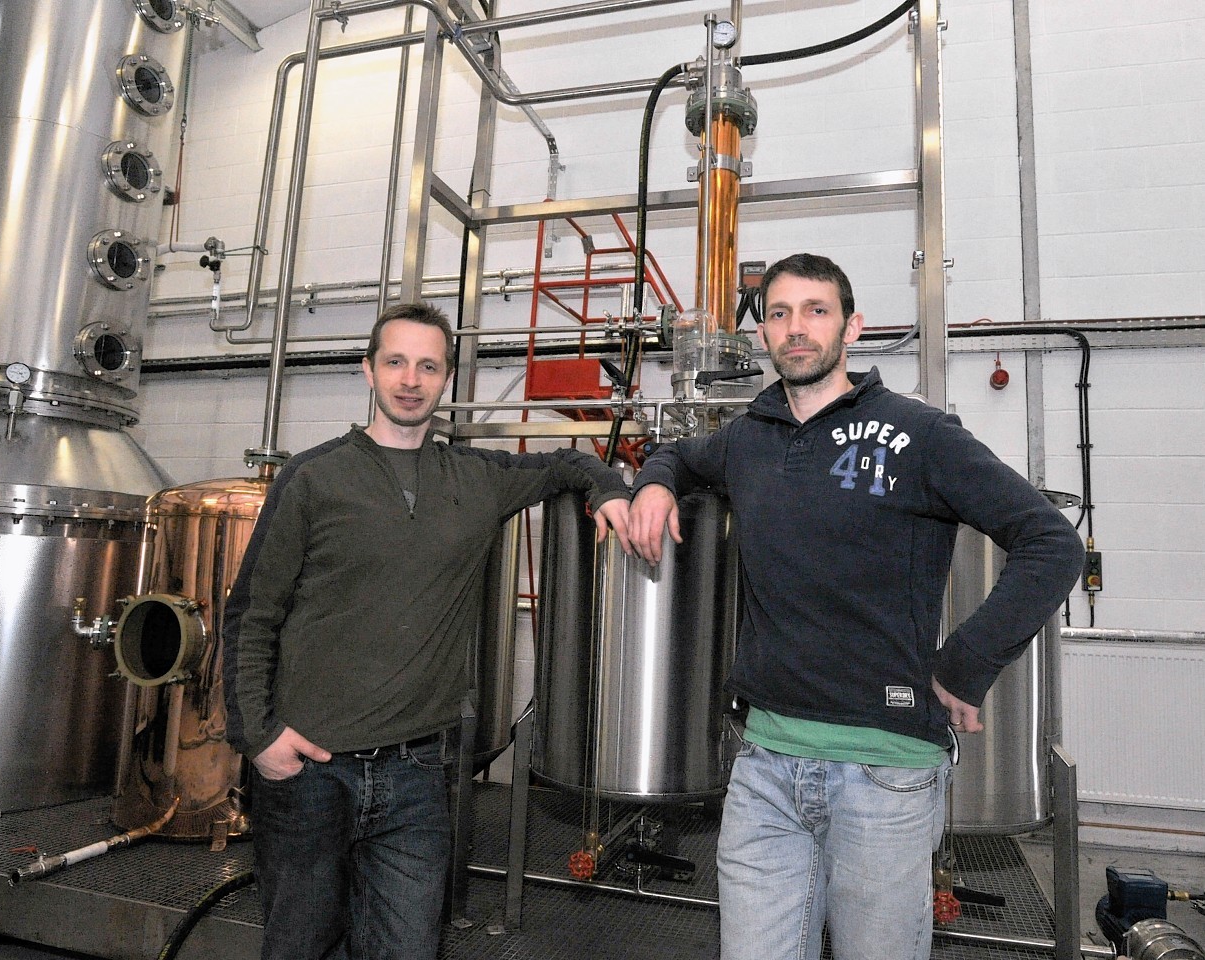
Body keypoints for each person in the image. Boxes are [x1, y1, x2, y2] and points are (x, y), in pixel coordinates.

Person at [626, 253, 1083, 960]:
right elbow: (683, 455)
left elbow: (1051, 543)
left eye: (815, 310)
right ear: (763, 335)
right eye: (778, 314)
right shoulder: (750, 436)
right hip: (764, 766)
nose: (795, 328)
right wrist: (655, 482)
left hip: (883, 774)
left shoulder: (918, 433)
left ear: (851, 326)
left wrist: (965, 662)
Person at [222, 301, 631, 960]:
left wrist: (610, 490)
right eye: (395, 363)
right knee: (299, 945)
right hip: (308, 771)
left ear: (444, 382)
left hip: (416, 776)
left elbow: (569, 464)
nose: (409, 380)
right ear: (368, 371)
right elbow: (252, 611)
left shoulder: (476, 478)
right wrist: (258, 736)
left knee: (409, 949)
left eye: (427, 366)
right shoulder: (313, 476)